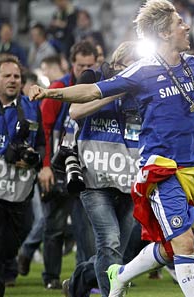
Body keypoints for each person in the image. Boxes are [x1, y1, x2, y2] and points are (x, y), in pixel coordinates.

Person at [28, 1, 194, 296]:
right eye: (180, 23)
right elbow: (92, 91)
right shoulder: (143, 69)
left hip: (191, 169)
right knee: (184, 245)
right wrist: (49, 91)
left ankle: (121, 275)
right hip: (161, 169)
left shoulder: (190, 64)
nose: (187, 26)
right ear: (165, 33)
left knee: (168, 249)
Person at [61, 41, 141, 297]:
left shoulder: (143, 91)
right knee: (110, 242)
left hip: (128, 179)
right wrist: (115, 93)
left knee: (117, 251)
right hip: (93, 178)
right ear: (118, 64)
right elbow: (75, 111)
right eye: (133, 67)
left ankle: (76, 283)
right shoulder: (93, 77)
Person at [38, 40, 98, 290]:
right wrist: (46, 166)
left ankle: (84, 279)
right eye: (80, 65)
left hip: (85, 168)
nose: (83, 69)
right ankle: (51, 276)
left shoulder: (97, 90)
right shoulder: (58, 88)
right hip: (57, 166)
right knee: (55, 225)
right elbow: (45, 129)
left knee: (86, 230)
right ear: (71, 63)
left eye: (89, 65)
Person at [0, 55, 44, 297]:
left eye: (16, 76)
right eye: (6, 75)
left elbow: (43, 143)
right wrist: (6, 155)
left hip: (21, 191)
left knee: (15, 240)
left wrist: (40, 164)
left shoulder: (31, 108)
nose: (12, 80)